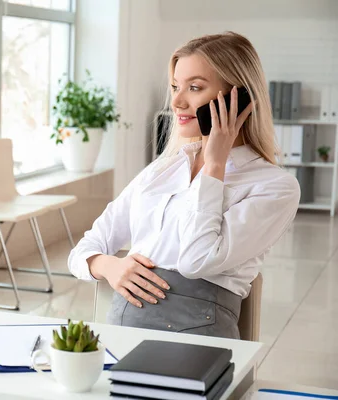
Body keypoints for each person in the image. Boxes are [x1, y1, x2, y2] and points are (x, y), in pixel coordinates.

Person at [68, 32, 300, 339]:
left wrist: (214, 166)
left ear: (237, 97)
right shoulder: (161, 171)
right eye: (176, 87)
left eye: (194, 87)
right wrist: (109, 266)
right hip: (121, 333)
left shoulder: (275, 187)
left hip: (199, 341)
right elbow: (83, 251)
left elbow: (196, 261)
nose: (177, 101)